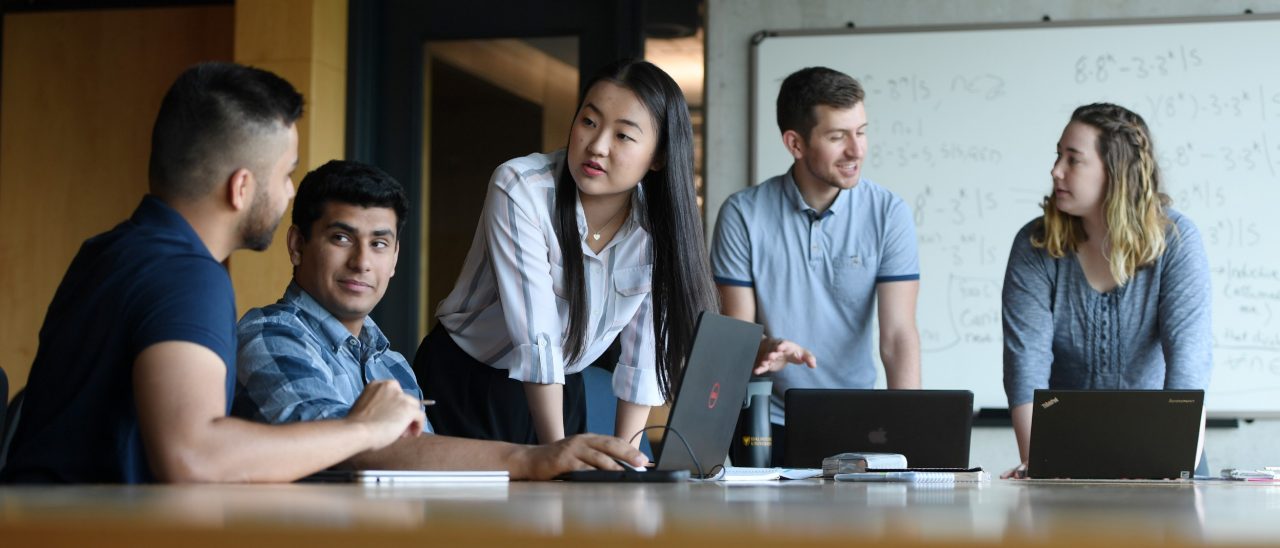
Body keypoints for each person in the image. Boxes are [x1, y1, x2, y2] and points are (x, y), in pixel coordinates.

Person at [0, 62, 425, 484]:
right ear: (241, 188)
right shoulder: (188, 277)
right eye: (286, 174)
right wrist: (364, 429)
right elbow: (194, 457)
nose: (290, 191)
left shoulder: (107, 251)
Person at [233, 160, 645, 478]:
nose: (362, 262)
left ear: (394, 259)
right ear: (297, 245)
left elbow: (421, 463)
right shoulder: (271, 334)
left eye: (379, 243)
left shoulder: (390, 363)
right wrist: (530, 459)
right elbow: (337, 448)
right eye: (341, 238)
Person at [416, 59, 718, 446]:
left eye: (624, 136)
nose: (597, 146)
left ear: (658, 156)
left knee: (568, 501)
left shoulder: (659, 226)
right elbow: (536, 334)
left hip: (563, 386)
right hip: (469, 380)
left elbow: (643, 355)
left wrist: (625, 457)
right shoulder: (521, 187)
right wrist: (554, 452)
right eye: (589, 122)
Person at [710, 66, 922, 461]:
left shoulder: (888, 212)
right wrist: (766, 348)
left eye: (861, 131)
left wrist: (909, 432)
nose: (857, 150)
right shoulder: (743, 214)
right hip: (766, 420)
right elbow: (737, 339)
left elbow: (897, 337)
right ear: (796, 143)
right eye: (837, 136)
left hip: (861, 421)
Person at [1001, 103, 1211, 478]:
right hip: (1064, 452)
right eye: (1057, 156)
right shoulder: (1035, 245)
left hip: (1165, 449)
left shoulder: (1176, 241)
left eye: (1073, 159)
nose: (1055, 171)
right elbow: (1025, 365)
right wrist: (1039, 464)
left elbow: (1188, 363)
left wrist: (1173, 465)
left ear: (1115, 171)